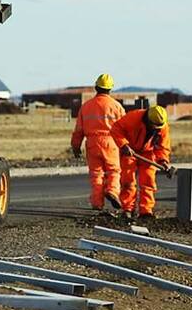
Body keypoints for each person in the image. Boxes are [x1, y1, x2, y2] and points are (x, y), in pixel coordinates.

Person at [70, 74, 125, 210]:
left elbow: (78, 130)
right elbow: (125, 128)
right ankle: (112, 191)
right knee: (113, 171)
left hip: (92, 143)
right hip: (111, 142)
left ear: (96, 87)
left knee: (96, 174)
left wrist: (76, 147)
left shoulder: (86, 106)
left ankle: (96, 203)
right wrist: (127, 145)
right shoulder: (117, 106)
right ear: (110, 89)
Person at [111, 105, 171, 218]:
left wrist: (163, 160)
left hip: (148, 153)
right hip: (130, 151)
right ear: (148, 120)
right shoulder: (133, 117)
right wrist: (124, 145)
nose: (157, 129)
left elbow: (163, 146)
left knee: (148, 181)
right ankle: (128, 209)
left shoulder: (162, 126)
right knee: (128, 181)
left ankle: (146, 211)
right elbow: (116, 129)